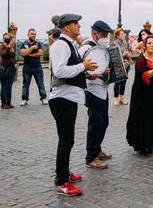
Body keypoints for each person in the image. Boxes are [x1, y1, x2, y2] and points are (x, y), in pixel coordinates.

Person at [49, 14, 98, 196]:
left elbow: (73, 69)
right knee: (65, 140)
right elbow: (60, 70)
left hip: (69, 97)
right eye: (75, 23)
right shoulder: (61, 45)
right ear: (66, 27)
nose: (79, 26)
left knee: (67, 139)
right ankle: (61, 180)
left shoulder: (70, 44)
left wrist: (86, 73)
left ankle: (63, 172)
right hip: (62, 97)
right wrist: (83, 66)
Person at [126, 35, 153, 156]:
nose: (151, 45)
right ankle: (143, 145)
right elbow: (144, 75)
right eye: (149, 43)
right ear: (145, 46)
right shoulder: (141, 59)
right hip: (143, 92)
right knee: (144, 116)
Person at [78, 21, 114, 169]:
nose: (106, 37)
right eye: (104, 35)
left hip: (102, 89)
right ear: (95, 33)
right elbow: (82, 68)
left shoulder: (100, 47)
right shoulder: (86, 48)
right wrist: (99, 72)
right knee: (95, 124)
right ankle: (90, 157)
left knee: (103, 122)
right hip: (93, 90)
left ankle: (97, 149)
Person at [19, 29, 48, 106]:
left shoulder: (38, 43)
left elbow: (40, 53)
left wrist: (29, 54)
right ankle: (24, 99)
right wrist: (31, 49)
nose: (33, 35)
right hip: (27, 67)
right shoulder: (24, 44)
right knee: (25, 84)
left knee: (40, 83)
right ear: (28, 34)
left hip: (37, 66)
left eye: (34, 34)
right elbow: (23, 53)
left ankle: (43, 98)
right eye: (32, 34)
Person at [111, 29, 132, 106]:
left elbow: (129, 51)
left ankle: (121, 98)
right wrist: (123, 55)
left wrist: (129, 54)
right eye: (122, 34)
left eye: (124, 34)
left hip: (126, 65)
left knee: (124, 81)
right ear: (117, 35)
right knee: (117, 82)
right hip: (118, 66)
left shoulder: (125, 43)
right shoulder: (113, 44)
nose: (124, 35)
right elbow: (113, 56)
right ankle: (116, 99)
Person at [0, 33, 17, 109]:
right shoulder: (2, 46)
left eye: (8, 38)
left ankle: (8, 102)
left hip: (12, 68)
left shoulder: (13, 46)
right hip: (4, 67)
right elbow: (4, 54)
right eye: (5, 38)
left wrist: (15, 63)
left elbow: (13, 55)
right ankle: (3, 103)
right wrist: (9, 46)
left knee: (9, 85)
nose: (7, 39)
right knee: (4, 85)